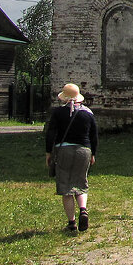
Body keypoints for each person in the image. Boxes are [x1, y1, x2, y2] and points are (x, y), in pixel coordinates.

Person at [44, 83, 98, 232]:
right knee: (81, 183)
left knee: (66, 187)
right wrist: (93, 153)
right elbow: (94, 136)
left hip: (64, 150)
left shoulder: (58, 113)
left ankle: (72, 223)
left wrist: (49, 152)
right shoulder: (88, 114)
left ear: (64, 98)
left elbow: (51, 133)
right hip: (84, 150)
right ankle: (83, 209)